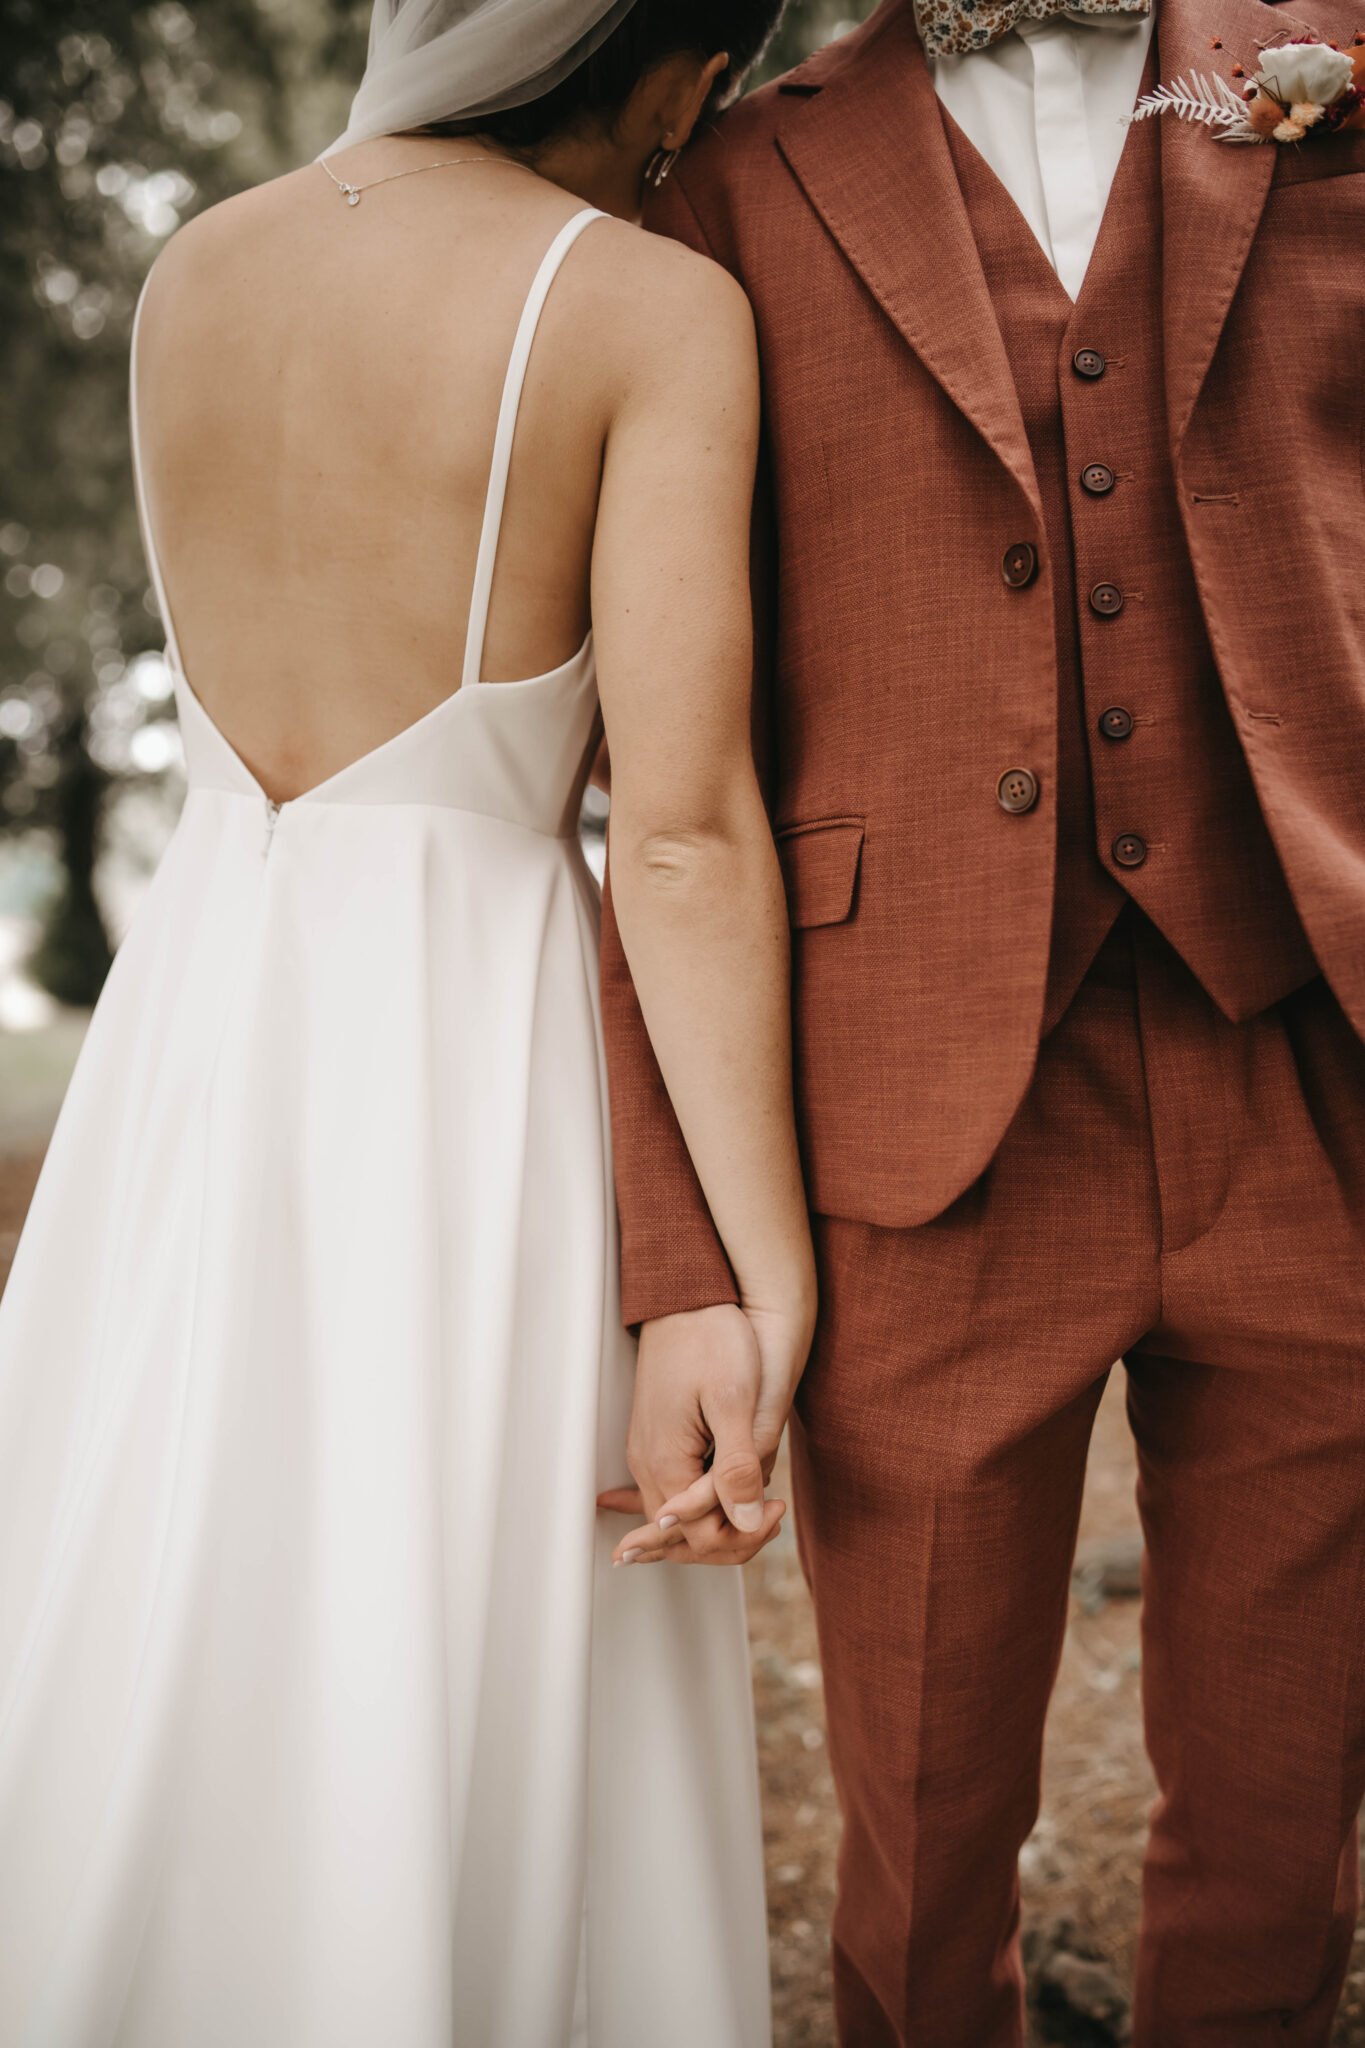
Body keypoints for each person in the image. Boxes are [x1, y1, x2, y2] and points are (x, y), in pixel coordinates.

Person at [0, 3, 811, 2042]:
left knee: (181, 1541)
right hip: (464, 1044)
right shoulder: (645, 309)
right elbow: (689, 836)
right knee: (425, 1578)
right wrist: (757, 1263)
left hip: (205, 1011)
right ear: (672, 67)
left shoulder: (203, 264)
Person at [603, 1, 1365, 2042]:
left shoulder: (1329, 70)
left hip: (1305, 1053)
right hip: (916, 1108)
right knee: (918, 1847)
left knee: (1287, 1832)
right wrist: (679, 1257)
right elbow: (658, 774)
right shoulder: (737, 175)